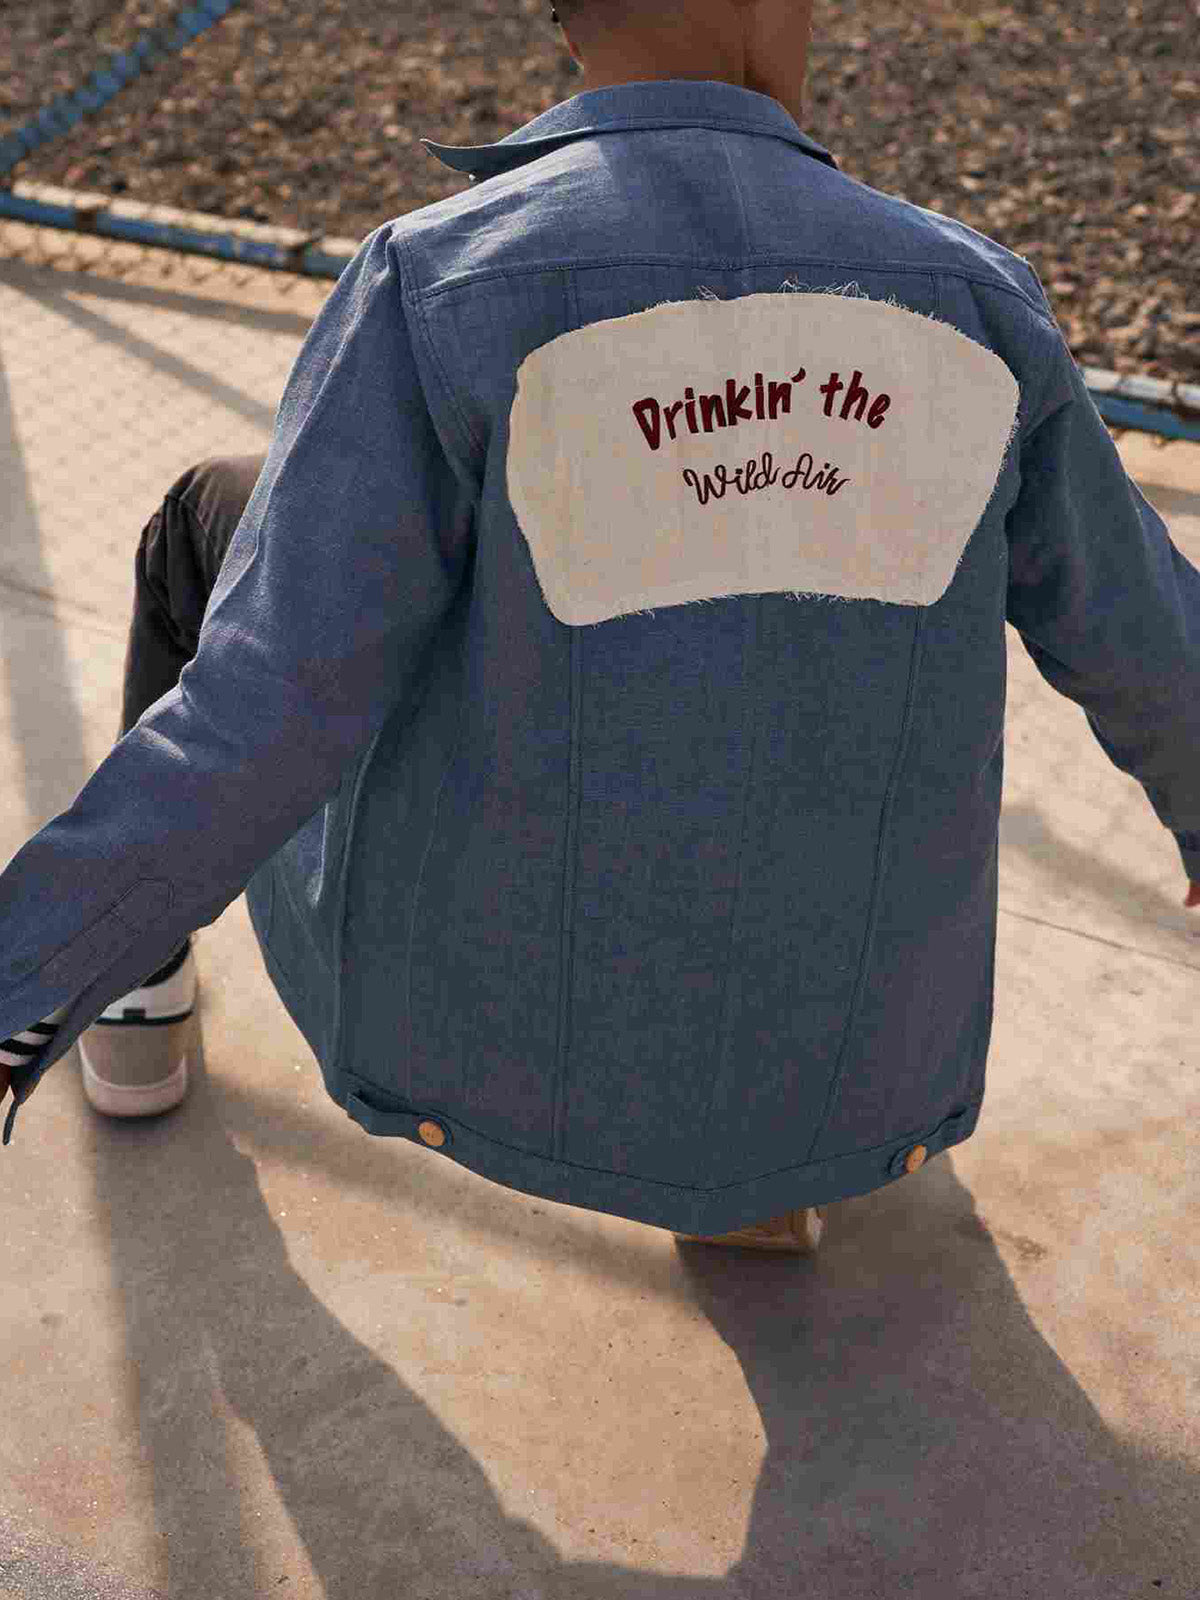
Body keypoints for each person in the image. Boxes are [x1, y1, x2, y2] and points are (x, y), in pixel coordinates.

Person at [1, 0, 1198, 1256]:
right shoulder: (974, 300)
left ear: (572, 23)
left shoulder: (435, 280)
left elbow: (268, 708)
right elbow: (1152, 644)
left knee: (216, 520)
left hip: (504, 1052)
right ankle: (758, 1174)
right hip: (868, 1069)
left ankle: (131, 994)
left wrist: (23, 976)